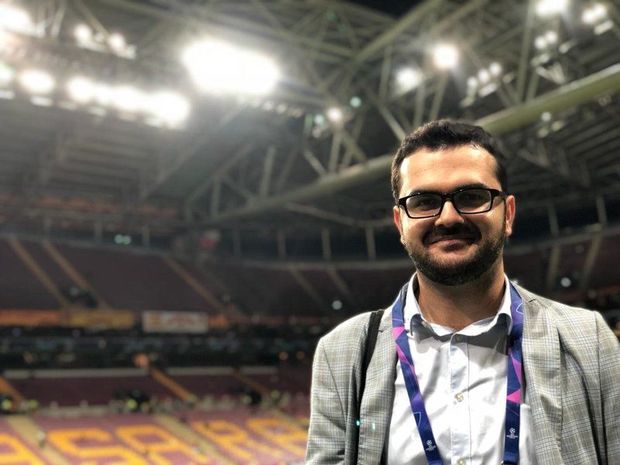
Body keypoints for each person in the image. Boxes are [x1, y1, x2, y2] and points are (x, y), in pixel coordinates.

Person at [305, 120, 620, 465]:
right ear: (400, 223)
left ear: (508, 214)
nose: (448, 218)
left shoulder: (588, 340)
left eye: (471, 197)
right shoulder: (344, 353)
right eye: (424, 201)